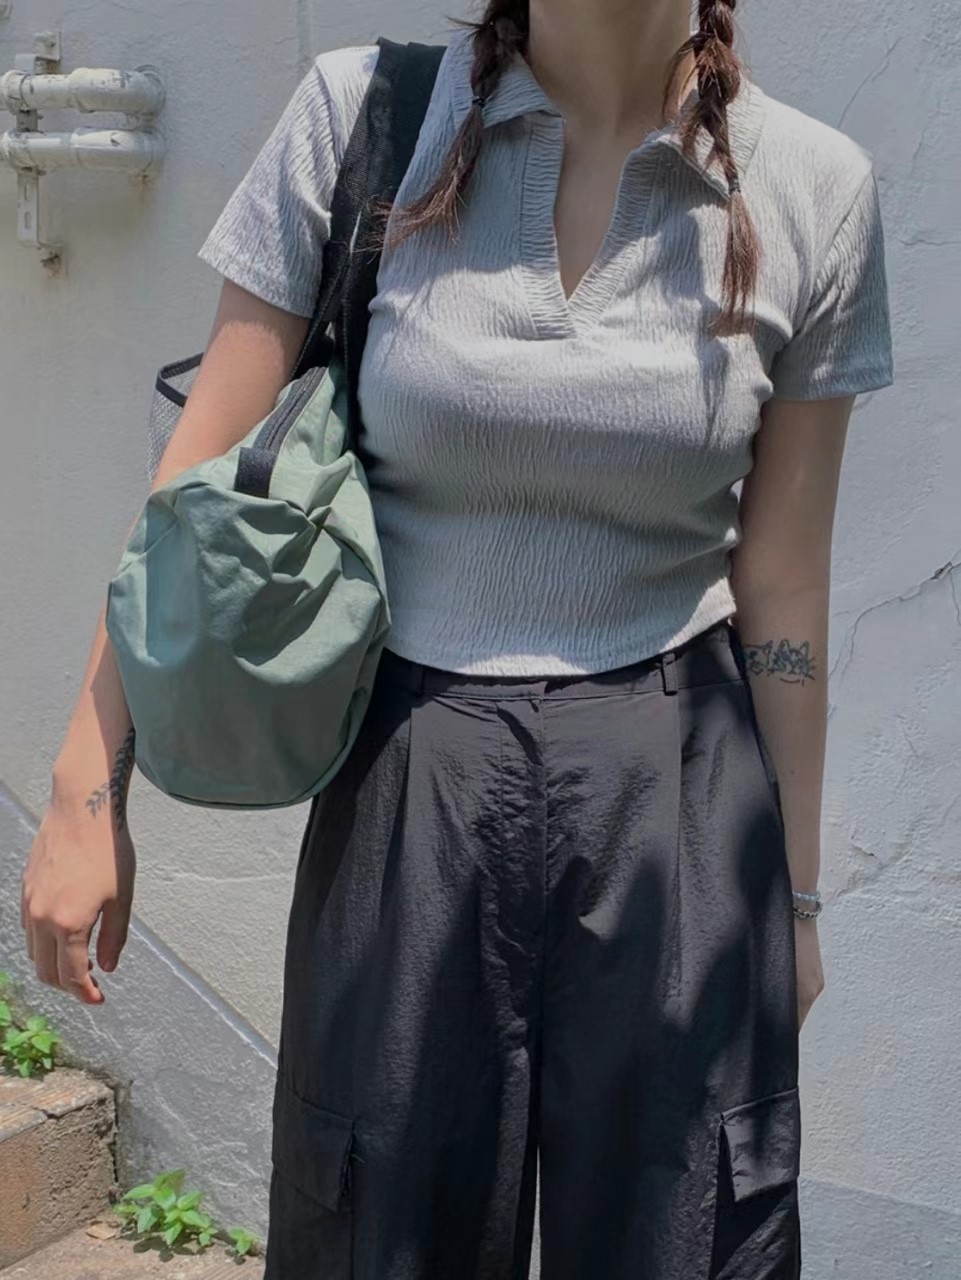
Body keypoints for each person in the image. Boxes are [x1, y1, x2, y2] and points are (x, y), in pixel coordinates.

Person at [20, 1, 894, 1276]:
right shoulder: (365, 120)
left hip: (681, 794)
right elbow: (194, 495)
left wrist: (796, 906)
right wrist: (86, 782)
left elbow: (783, 583)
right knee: (374, 1224)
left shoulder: (813, 184)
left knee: (688, 1230)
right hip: (410, 780)